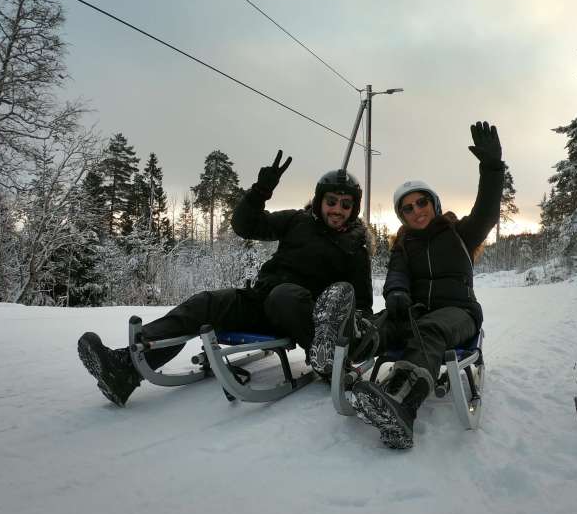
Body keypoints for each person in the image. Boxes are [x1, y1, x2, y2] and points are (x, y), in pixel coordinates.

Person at [77, 150, 375, 406]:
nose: (337, 209)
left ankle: (323, 359)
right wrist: (260, 191)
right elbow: (246, 226)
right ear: (320, 200)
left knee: (286, 295)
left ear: (354, 208)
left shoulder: (355, 247)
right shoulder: (297, 220)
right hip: (262, 301)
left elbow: (360, 302)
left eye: (345, 205)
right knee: (205, 303)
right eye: (332, 201)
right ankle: (126, 368)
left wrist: (348, 341)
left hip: (303, 314)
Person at [351, 121, 504, 449]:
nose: (416, 210)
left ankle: (401, 400)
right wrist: (396, 295)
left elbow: (488, 211)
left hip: (458, 313)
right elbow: (397, 275)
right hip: (416, 310)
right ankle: (352, 345)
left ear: (433, 204)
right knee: (383, 322)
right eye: (408, 208)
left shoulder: (461, 233)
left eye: (421, 202)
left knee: (431, 330)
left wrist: (491, 167)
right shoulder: (404, 245)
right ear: (402, 216)